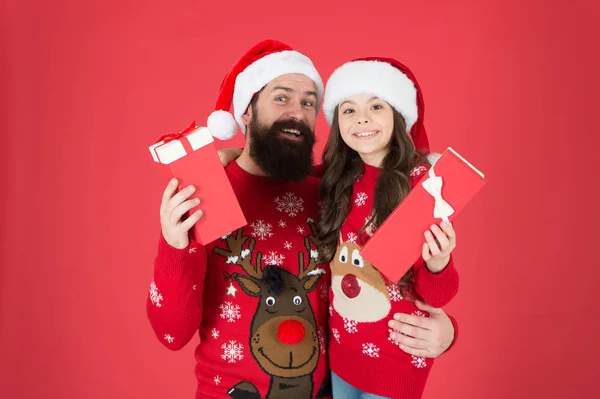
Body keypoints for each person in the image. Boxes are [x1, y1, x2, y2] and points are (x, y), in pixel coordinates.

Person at [147, 41, 458, 399]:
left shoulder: (333, 192)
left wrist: (446, 331)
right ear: (246, 111)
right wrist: (174, 244)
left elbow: (387, 281)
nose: (297, 111)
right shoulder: (206, 194)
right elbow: (172, 333)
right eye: (282, 98)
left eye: (309, 102)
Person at [318, 57, 459, 399]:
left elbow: (438, 296)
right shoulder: (334, 179)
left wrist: (438, 263)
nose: (362, 118)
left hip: (397, 357)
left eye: (376, 106)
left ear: (398, 116)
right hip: (340, 353)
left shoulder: (423, 183)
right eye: (348, 110)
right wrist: (232, 152)